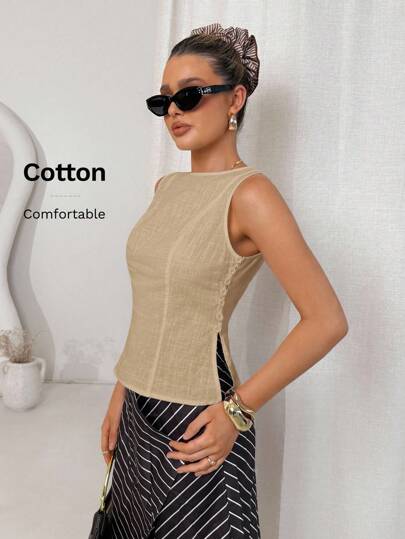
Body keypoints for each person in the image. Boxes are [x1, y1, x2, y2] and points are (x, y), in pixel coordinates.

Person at [101, 23, 349, 539]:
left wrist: (237, 411)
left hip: (198, 415)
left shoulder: (251, 195)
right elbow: (155, 304)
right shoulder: (167, 187)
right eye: (163, 100)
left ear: (235, 99)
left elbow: (326, 320)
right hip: (138, 407)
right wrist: (123, 387)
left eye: (189, 95)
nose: (173, 111)